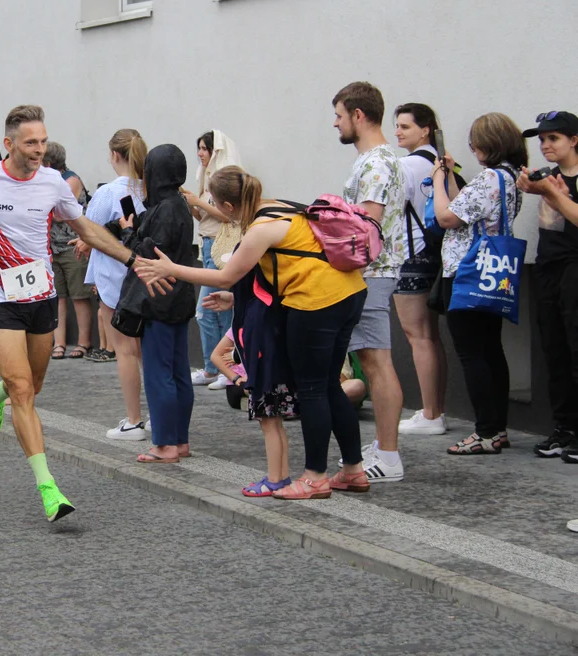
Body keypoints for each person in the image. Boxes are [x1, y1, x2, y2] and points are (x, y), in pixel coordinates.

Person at [0, 105, 149, 522]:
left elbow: (85, 229)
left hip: (39, 296)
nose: (39, 149)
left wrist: (132, 260)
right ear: (10, 143)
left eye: (42, 141)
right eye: (31, 142)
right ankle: (48, 488)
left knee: (30, 386)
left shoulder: (53, 182)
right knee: (22, 389)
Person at [136, 165, 369, 500]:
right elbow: (285, 266)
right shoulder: (282, 206)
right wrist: (233, 298)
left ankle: (315, 478)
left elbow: (224, 276)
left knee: (314, 390)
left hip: (315, 303)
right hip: (349, 293)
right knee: (330, 384)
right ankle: (352, 471)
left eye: (216, 204)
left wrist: (171, 268)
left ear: (228, 206)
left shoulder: (260, 229)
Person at [432, 113, 525, 455]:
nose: (473, 150)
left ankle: (485, 432)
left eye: (474, 144)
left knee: (472, 354)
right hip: (494, 273)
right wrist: (453, 177)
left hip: (468, 272)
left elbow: (447, 217)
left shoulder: (489, 178)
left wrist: (440, 181)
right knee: (491, 351)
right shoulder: (510, 177)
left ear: (487, 145)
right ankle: (497, 429)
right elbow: (469, 209)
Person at [333, 81, 408, 483]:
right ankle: (383, 445)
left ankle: (390, 458)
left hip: (372, 273)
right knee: (373, 362)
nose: (336, 124)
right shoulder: (378, 160)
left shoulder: (376, 163)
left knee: (377, 364)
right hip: (373, 271)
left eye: (340, 115)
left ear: (358, 116)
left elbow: (367, 224)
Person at [109, 144, 198, 465]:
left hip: (158, 300)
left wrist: (129, 232)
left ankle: (164, 445)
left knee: (159, 374)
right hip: (180, 299)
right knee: (179, 374)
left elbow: (147, 255)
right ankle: (181, 441)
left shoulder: (165, 210)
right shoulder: (179, 205)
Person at [76, 128, 148, 439]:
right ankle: (157, 415)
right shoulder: (148, 189)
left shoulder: (108, 193)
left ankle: (134, 419)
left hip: (114, 276)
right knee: (147, 350)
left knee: (125, 350)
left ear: (115, 155)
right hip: (145, 274)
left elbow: (87, 230)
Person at [516, 111, 578, 461]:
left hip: (575, 267)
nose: (545, 145)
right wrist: (541, 190)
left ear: (574, 140)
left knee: (576, 350)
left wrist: (552, 195)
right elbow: (550, 225)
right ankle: (564, 428)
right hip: (548, 267)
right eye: (541, 139)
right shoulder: (549, 177)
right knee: (554, 351)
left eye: (553, 138)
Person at [393, 103, 450, 436]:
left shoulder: (407, 165)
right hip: (432, 252)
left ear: (425, 129)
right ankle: (435, 410)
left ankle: (430, 415)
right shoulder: (437, 161)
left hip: (410, 253)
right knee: (431, 337)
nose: (398, 132)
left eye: (405, 127)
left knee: (418, 337)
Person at [211, 324, 298, 497]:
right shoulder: (268, 316)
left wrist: (236, 376)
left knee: (269, 426)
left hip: (262, 377)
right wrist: (236, 378)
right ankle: (282, 476)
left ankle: (274, 480)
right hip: (276, 374)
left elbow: (216, 355)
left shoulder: (250, 319)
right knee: (276, 426)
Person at [182, 130, 240, 388]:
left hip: (222, 249)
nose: (200, 154)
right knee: (215, 310)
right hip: (206, 247)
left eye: (205, 149)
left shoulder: (225, 181)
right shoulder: (205, 181)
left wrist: (199, 202)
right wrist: (191, 202)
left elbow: (229, 216)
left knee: (206, 311)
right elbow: (203, 218)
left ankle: (219, 368)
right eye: (199, 148)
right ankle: (218, 368)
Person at [45, 141, 93, 360]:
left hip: (72, 246)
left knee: (79, 296)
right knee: (58, 297)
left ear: (50, 162)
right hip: (52, 247)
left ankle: (84, 342)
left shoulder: (71, 180)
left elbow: (59, 214)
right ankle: (59, 342)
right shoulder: (48, 181)